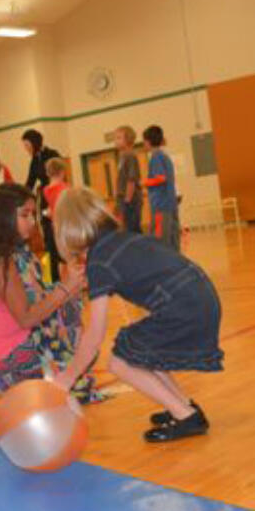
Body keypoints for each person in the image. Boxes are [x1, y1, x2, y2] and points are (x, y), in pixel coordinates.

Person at [51, 188, 223, 443]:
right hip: (201, 298)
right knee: (138, 350)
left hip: (185, 307)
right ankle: (185, 407)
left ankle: (185, 417)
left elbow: (95, 335)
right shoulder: (120, 239)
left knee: (120, 362)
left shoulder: (100, 260)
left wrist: (65, 380)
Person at [0, 183, 103, 403]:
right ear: (4, 217)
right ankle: (47, 380)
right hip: (8, 356)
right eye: (24, 215)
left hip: (4, 350)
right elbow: (27, 317)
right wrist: (66, 287)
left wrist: (71, 287)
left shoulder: (6, 252)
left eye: (33, 215)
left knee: (67, 311)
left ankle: (45, 379)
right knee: (74, 330)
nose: (32, 222)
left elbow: (40, 298)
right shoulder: (3, 260)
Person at [21, 129, 64, 282]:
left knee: (61, 241)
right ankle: (53, 279)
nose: (25, 149)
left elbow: (61, 176)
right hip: (44, 199)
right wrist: (20, 197)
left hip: (56, 199)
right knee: (49, 241)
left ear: (34, 143)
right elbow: (30, 182)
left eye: (27, 145)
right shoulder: (34, 160)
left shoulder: (52, 154)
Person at [142, 125, 181, 249]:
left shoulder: (156, 157)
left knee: (160, 241)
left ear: (148, 141)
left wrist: (144, 183)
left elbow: (161, 178)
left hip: (161, 206)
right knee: (173, 239)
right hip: (171, 203)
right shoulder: (165, 156)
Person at [113, 126, 143, 234]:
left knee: (132, 230)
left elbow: (131, 180)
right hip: (122, 199)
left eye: (119, 138)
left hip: (130, 200)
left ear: (128, 140)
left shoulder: (130, 155)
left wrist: (127, 200)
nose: (115, 141)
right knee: (126, 229)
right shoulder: (122, 156)